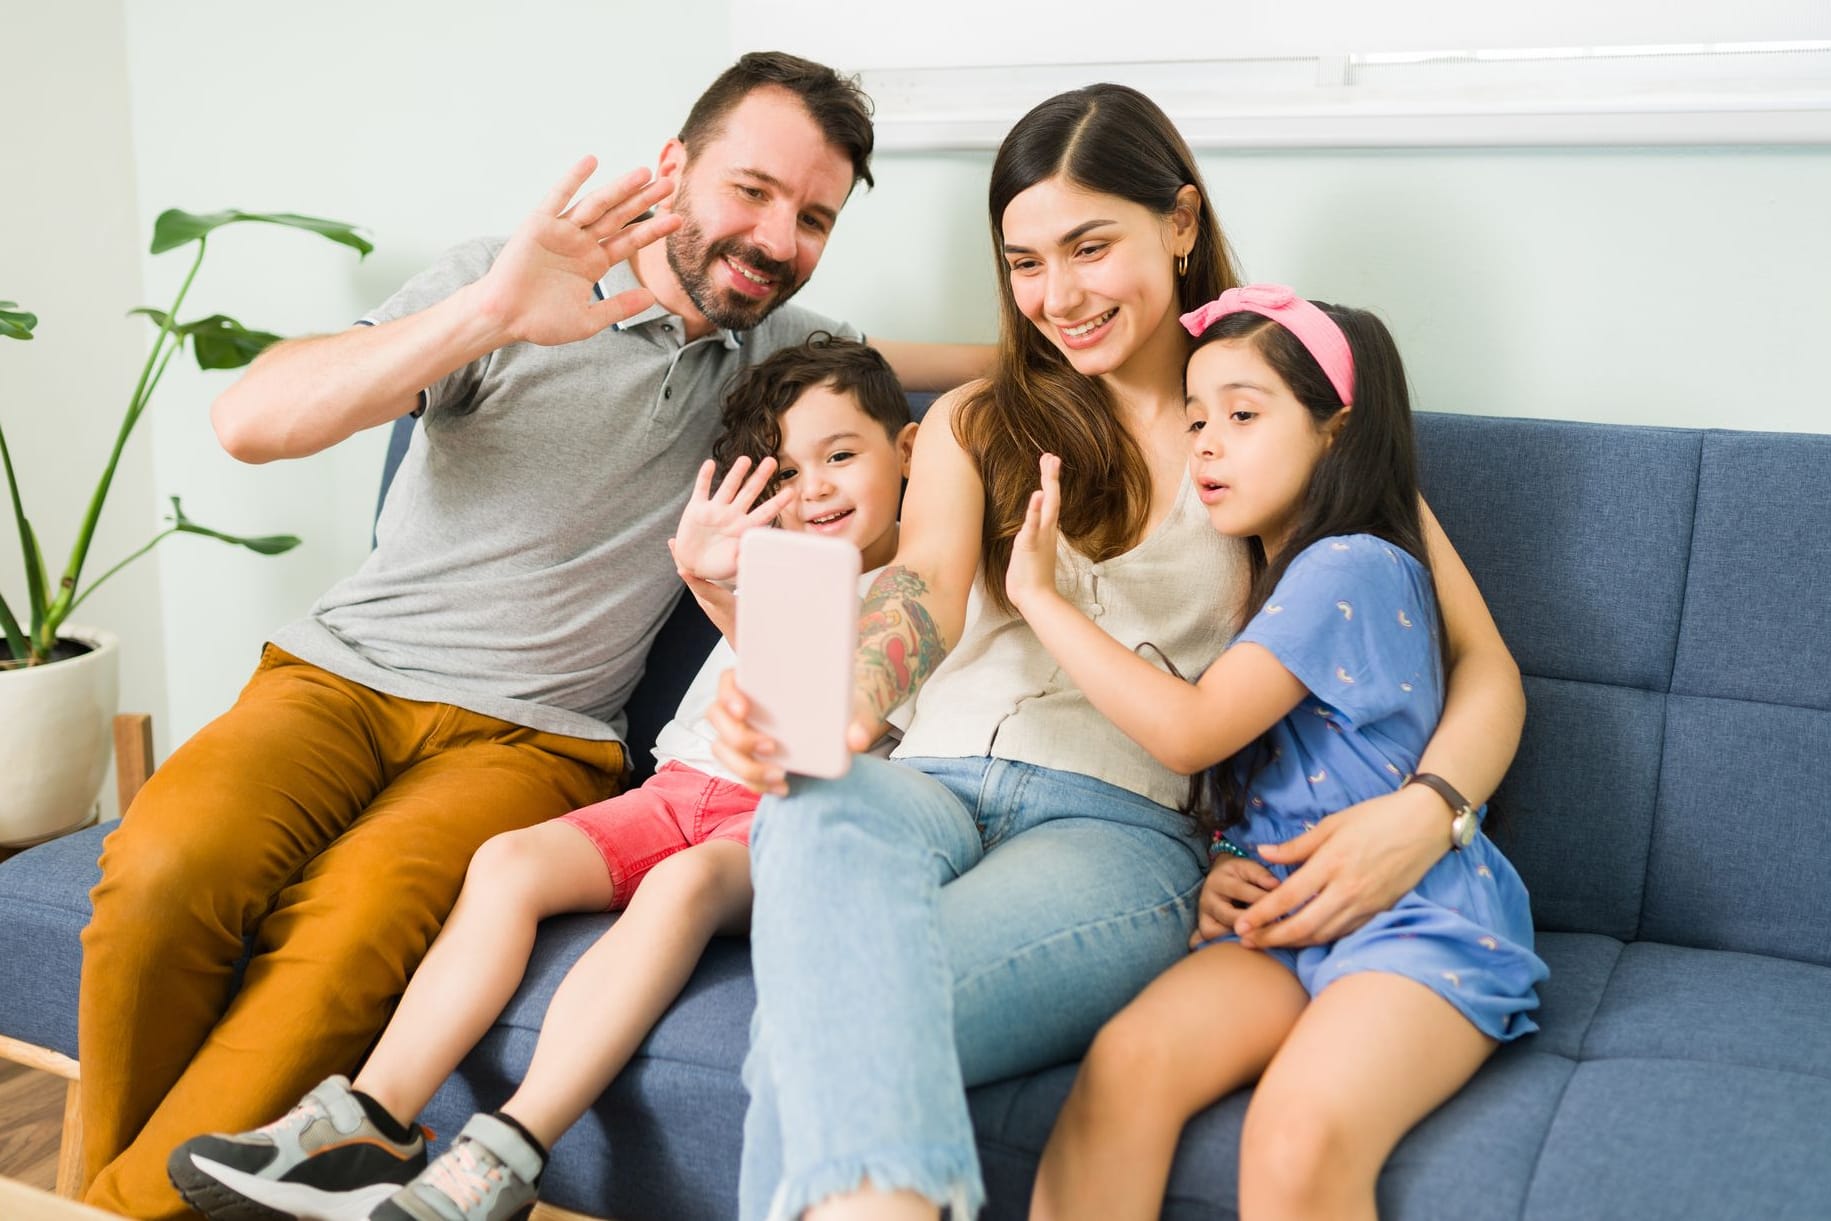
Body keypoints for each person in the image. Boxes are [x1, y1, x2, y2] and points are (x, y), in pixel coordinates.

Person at [78, 51, 981, 1221]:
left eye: (811, 217)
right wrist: (488, 314)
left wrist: (1169, 332)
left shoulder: (780, 357)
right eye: (751, 191)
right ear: (673, 169)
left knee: (348, 934)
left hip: (535, 741)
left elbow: (936, 376)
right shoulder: (498, 287)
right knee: (162, 870)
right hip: (335, 678)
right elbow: (250, 419)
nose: (774, 237)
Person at [708, 84, 1527, 1221]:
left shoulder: (1266, 425)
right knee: (807, 809)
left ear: (1179, 225)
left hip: (1114, 825)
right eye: (1025, 262)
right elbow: (924, 587)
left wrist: (1430, 807)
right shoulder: (976, 421)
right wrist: (851, 696)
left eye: (1090, 247)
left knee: (811, 1026)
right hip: (926, 779)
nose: (1058, 296)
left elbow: (1483, 664)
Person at [167, 335, 918, 1221]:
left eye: (840, 455)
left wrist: (714, 591)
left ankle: (507, 1149)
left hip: (783, 820)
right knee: (507, 863)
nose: (816, 488)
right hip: (673, 791)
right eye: (786, 474)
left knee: (678, 888)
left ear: (907, 450)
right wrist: (714, 575)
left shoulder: (921, 588)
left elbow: (828, 729)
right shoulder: (771, 561)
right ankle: (369, 1123)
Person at [1015, 285, 1546, 1220]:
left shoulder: (1350, 562)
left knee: (1294, 1135)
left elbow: (1190, 729)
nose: (1207, 441)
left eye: (1243, 415)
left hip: (1412, 911)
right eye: (1195, 418)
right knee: (1124, 1063)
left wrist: (1042, 598)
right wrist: (1225, 857)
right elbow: (1271, 778)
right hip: (1282, 914)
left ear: (1335, 432)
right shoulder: (1273, 575)